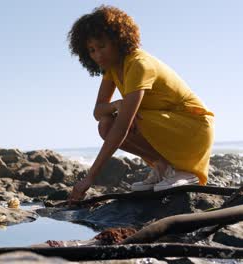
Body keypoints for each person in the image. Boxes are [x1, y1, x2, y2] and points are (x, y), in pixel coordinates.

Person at [67, 5, 214, 202]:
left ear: (118, 40)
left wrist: (90, 178)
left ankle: (185, 172)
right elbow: (98, 111)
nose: (97, 55)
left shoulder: (138, 64)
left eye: (102, 46)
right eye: (92, 50)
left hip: (194, 128)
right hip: (167, 125)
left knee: (118, 123)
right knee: (106, 123)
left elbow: (123, 127)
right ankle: (164, 166)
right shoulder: (112, 69)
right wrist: (117, 104)